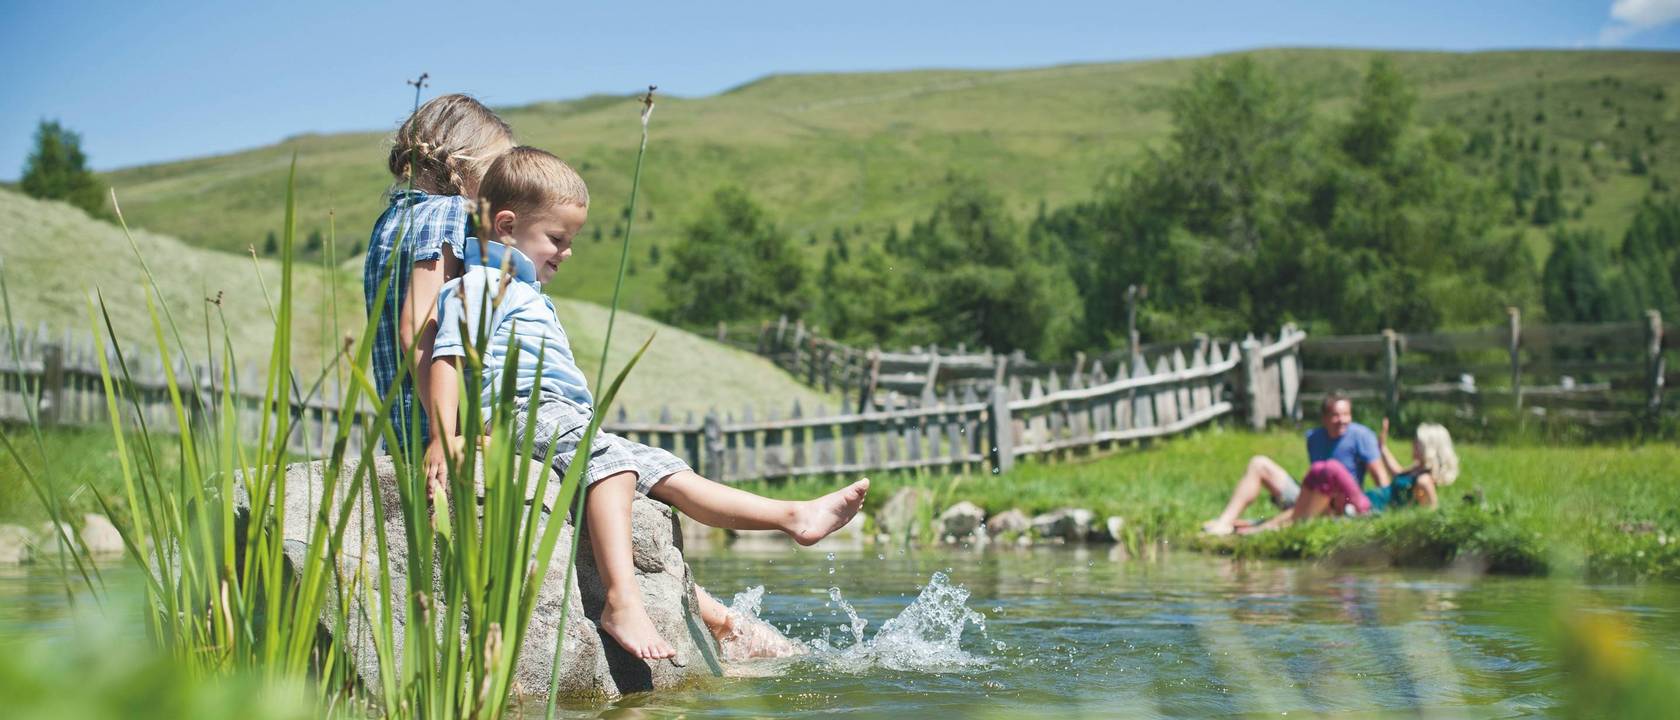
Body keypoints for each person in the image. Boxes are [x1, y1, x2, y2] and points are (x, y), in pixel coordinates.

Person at [425, 147, 868, 660]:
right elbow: (448, 357)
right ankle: (621, 600)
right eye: (558, 239)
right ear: (505, 225)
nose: (567, 253)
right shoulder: (479, 285)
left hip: (565, 418)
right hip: (523, 409)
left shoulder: (522, 289)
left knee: (665, 469)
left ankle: (792, 516)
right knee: (613, 466)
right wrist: (443, 436)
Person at [364, 93, 514, 455]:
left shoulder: (391, 219)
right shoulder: (450, 212)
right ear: (468, 163)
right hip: (436, 431)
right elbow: (417, 323)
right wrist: (449, 432)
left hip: (402, 430)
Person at [1201, 393, 1389, 536]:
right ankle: (1225, 522)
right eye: (1336, 415)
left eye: (1346, 415)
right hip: (1312, 495)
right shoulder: (1314, 438)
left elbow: (1381, 478)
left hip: (1342, 503)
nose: (1342, 420)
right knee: (1258, 464)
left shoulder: (1362, 436)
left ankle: (1265, 527)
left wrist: (1382, 512)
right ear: (1324, 418)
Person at [1365, 419, 1459, 511]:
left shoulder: (1424, 480)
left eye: (1417, 442)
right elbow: (1398, 473)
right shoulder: (1419, 468)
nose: (1412, 444)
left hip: (1375, 507)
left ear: (1428, 447)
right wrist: (1382, 447)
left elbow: (1433, 508)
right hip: (1373, 501)